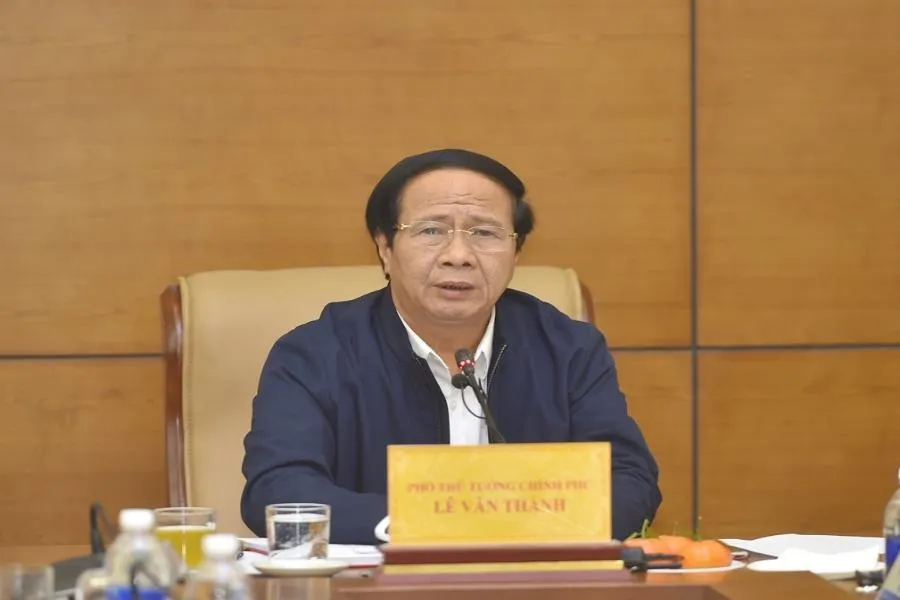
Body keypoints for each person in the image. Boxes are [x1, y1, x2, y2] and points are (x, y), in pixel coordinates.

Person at [240, 148, 662, 544]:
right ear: (385, 248)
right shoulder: (315, 354)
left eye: (485, 233)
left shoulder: (568, 349)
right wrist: (434, 524)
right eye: (431, 230)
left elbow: (630, 479)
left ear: (516, 252)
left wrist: (510, 531)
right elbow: (279, 492)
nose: (458, 255)